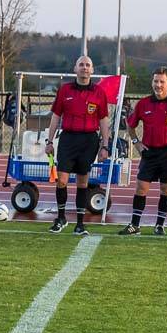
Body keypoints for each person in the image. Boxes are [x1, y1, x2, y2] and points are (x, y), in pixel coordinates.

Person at [119, 67, 167, 236]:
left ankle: (160, 225)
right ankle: (135, 225)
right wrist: (136, 143)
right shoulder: (143, 104)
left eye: (162, 81)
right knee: (141, 187)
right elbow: (130, 125)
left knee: (166, 188)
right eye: (156, 81)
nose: (158, 85)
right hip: (149, 152)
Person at [44, 55, 111, 236]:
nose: (84, 68)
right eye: (81, 65)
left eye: (87, 65)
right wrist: (49, 141)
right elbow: (56, 117)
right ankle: (61, 218)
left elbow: (104, 120)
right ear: (75, 69)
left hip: (89, 141)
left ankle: (80, 224)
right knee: (62, 180)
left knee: (83, 182)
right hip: (68, 139)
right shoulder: (65, 90)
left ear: (92, 69)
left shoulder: (99, 93)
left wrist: (105, 145)